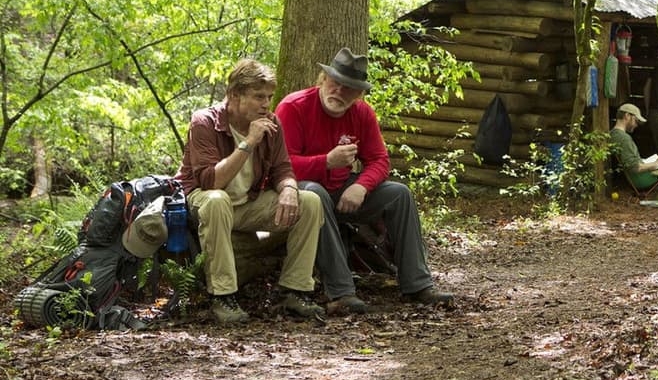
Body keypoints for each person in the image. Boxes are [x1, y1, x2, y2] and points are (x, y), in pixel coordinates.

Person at [276, 47, 453, 311]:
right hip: (301, 191)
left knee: (399, 194)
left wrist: (361, 185)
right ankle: (341, 293)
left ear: (359, 94)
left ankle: (418, 284)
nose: (339, 92)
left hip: (342, 189)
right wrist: (326, 161)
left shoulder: (362, 113)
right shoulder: (294, 107)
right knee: (316, 194)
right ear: (323, 80)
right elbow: (281, 166)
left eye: (349, 88)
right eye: (335, 83)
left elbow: (380, 160)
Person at [178, 59, 325, 325]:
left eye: (269, 97)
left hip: (248, 203)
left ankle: (296, 289)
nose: (266, 104)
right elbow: (210, 181)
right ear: (235, 94)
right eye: (258, 96)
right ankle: (223, 296)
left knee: (310, 201)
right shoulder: (205, 122)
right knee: (216, 200)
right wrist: (249, 142)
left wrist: (290, 189)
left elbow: (282, 169)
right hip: (205, 199)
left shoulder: (271, 124)